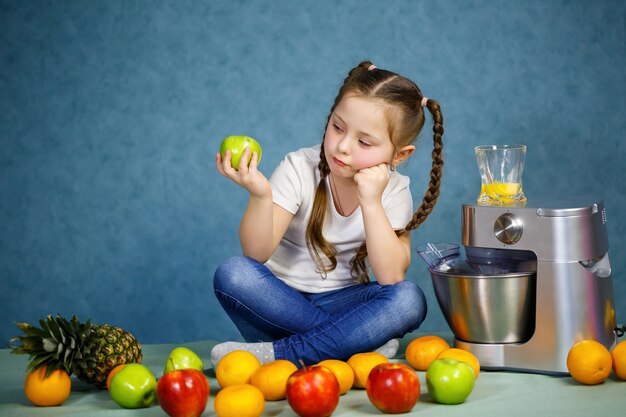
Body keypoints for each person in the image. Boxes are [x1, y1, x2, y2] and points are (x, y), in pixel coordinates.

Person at [212, 60, 444, 367]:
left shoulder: (394, 189)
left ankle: (280, 354)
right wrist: (260, 195)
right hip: (278, 302)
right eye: (337, 127)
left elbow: (390, 276)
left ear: (399, 155)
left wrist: (371, 201)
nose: (343, 147)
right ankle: (353, 345)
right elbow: (256, 253)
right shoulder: (299, 167)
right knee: (234, 273)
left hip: (345, 303)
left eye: (364, 142)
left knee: (409, 299)